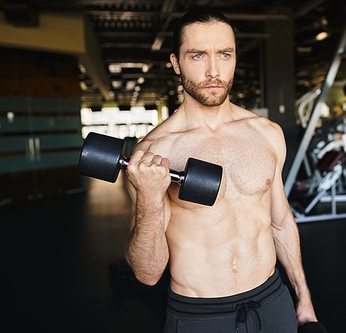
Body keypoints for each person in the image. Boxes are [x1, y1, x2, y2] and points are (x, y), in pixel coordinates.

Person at [124, 8, 318, 332]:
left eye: (224, 54)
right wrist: (148, 198)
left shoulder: (267, 134)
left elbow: (281, 223)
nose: (214, 70)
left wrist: (304, 296)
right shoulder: (154, 154)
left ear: (235, 58)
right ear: (176, 63)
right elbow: (148, 272)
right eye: (198, 55)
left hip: (273, 303)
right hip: (200, 316)